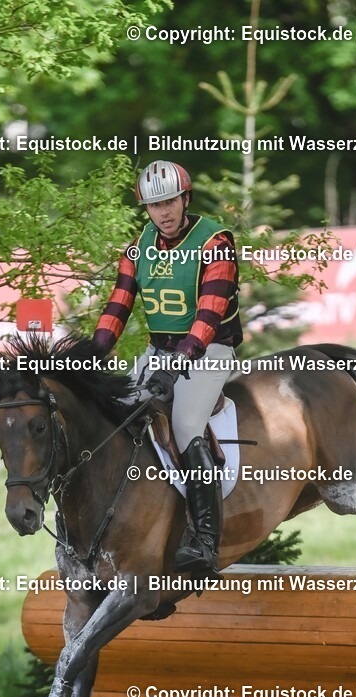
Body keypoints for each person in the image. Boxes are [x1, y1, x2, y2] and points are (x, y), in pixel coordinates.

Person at [92, 160, 243, 573]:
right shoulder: (136, 250)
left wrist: (178, 364)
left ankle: (206, 542)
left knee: (186, 426)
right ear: (146, 209)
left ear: (185, 198)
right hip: (158, 352)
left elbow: (210, 314)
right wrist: (90, 353)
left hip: (209, 351)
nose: (164, 212)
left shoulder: (215, 242)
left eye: (171, 201)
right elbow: (118, 306)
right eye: (155, 205)